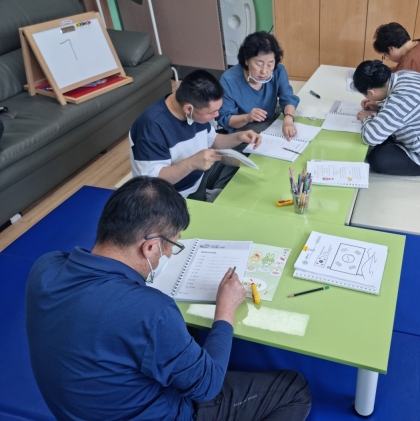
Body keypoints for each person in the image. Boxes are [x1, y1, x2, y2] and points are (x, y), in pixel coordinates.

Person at [26, 176, 312, 421]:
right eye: (170, 246)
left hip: (81, 410)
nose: (168, 254)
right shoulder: (151, 311)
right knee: (294, 389)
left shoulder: (45, 268)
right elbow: (208, 386)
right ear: (149, 247)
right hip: (162, 413)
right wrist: (225, 310)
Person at [129, 69, 262, 202]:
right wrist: (192, 163)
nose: (216, 115)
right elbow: (152, 183)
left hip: (197, 179)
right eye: (212, 112)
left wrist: (239, 137)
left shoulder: (195, 111)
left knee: (246, 154)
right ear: (188, 109)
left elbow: (213, 140)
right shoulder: (151, 126)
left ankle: (213, 194)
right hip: (171, 197)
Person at [353, 60, 420, 179]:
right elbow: (410, 108)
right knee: (384, 133)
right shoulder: (405, 74)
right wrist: (379, 106)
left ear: (371, 92)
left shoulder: (400, 100)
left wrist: (366, 117)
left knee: (377, 158)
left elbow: (371, 137)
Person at [217, 32, 300, 140]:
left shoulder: (278, 71)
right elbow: (226, 119)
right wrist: (247, 117)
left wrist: (288, 121)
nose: (264, 71)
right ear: (246, 60)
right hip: (243, 131)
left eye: (270, 64)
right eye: (259, 63)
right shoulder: (229, 80)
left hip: (271, 123)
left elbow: (288, 98)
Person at [373, 22, 420, 94]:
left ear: (391, 49)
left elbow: (398, 94)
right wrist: (387, 70)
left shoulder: (408, 60)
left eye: (386, 55)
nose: (388, 58)